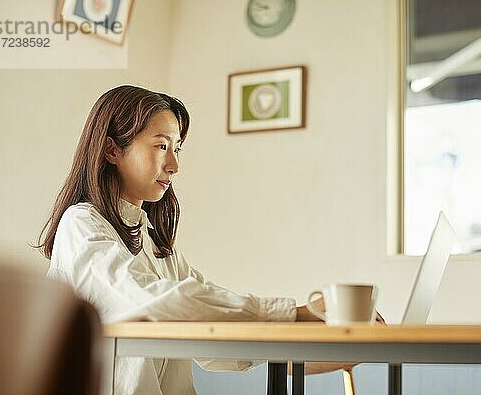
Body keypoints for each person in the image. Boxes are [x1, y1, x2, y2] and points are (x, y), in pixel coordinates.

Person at [37, 85, 325, 395]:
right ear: (112, 150)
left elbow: (212, 339)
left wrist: (328, 350)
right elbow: (163, 302)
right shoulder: (81, 226)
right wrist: (297, 313)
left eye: (177, 147)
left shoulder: (153, 243)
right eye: (161, 146)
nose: (174, 165)